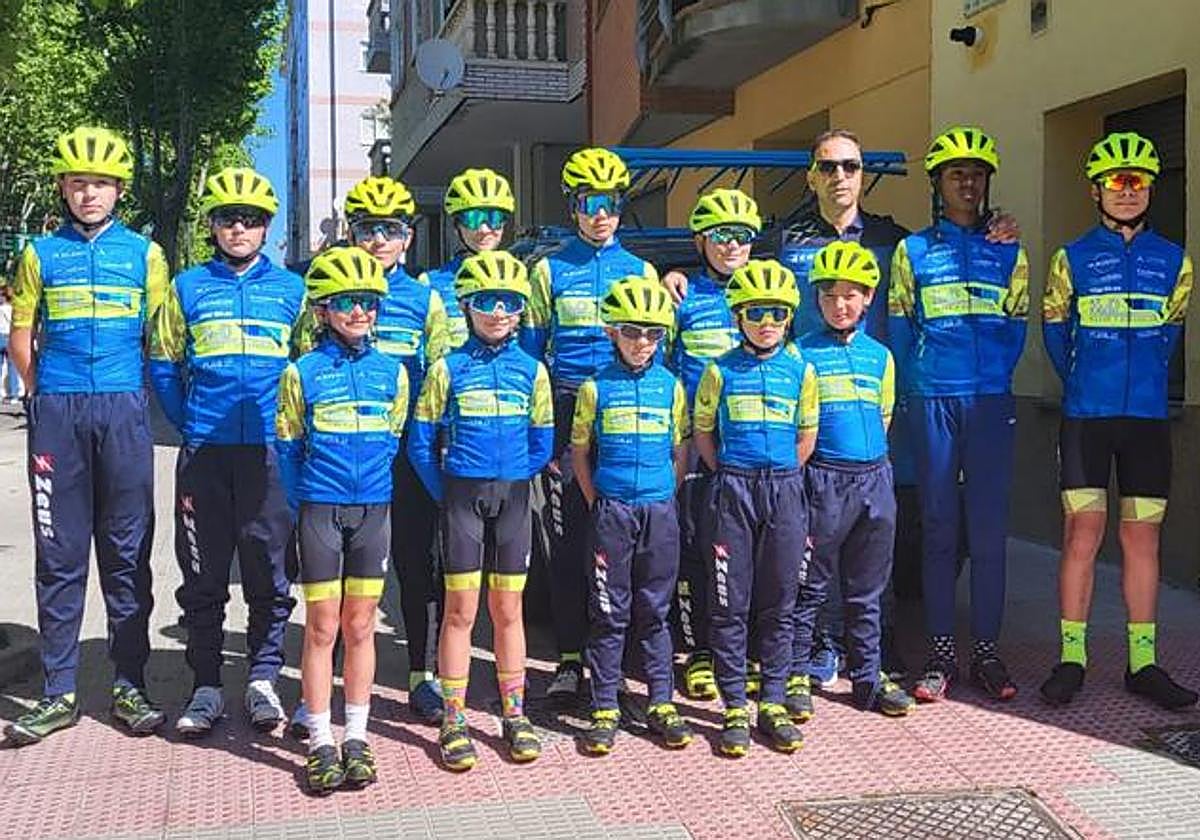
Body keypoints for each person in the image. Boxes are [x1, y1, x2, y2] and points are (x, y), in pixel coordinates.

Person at [3, 126, 168, 747]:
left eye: (100, 183)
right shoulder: (38, 253)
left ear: (119, 189)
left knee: (127, 555)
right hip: (59, 412)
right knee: (59, 554)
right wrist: (41, 392)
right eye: (78, 183)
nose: (89, 194)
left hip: (123, 407)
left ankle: (130, 685)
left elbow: (158, 337)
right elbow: (22, 335)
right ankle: (58, 693)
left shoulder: (146, 255)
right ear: (63, 188)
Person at [1039, 132, 1197, 711]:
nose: (1127, 191)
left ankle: (1143, 663)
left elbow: (1170, 335)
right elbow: (1055, 332)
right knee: (1082, 533)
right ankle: (1071, 659)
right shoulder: (1071, 258)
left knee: (1142, 536)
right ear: (1096, 190)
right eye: (1116, 181)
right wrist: (1083, 381)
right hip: (1087, 418)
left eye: (1138, 182)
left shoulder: (1175, 261)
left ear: (1151, 188)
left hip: (1148, 420)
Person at [148, 167, 303, 736]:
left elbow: (307, 367)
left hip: (269, 454)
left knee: (270, 572)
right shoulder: (186, 288)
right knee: (203, 574)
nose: (239, 228)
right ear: (212, 225)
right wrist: (190, 423)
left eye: (251, 219)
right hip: (205, 453)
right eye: (227, 218)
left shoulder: (293, 291)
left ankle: (263, 679)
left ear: (267, 227)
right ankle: (207, 684)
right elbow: (163, 363)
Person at [301, 176, 450, 724]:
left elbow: (438, 377)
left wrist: (431, 445)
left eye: (390, 230)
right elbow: (303, 364)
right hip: (340, 457)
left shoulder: (426, 299)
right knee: (339, 572)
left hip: (406, 451)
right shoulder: (324, 291)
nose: (379, 240)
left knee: (418, 562)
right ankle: (331, 680)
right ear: (351, 234)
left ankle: (422, 674)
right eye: (368, 229)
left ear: (407, 237)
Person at [888, 126, 1029, 703]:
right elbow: (900, 326)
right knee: (940, 526)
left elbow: (1017, 327)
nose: (967, 183)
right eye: (955, 174)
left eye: (976, 173)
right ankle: (941, 654)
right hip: (932, 400)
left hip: (990, 400)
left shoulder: (1009, 249)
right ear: (937, 184)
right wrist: (915, 388)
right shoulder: (913, 252)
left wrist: (991, 377)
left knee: (989, 531)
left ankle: (988, 653)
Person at [520, 147, 657, 704]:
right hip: (567, 404)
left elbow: (659, 354)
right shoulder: (548, 270)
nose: (601, 214)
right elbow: (533, 356)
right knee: (568, 538)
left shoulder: (642, 271)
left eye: (611, 202)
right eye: (589, 202)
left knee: (623, 538)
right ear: (572, 206)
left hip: (624, 409)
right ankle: (570, 657)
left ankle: (616, 657)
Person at [409, 250, 553, 771]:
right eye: (486, 301)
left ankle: (515, 714)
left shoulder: (533, 371)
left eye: (509, 303)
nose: (497, 312)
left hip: (512, 498)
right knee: (460, 611)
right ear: (466, 305)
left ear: (520, 310)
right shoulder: (446, 368)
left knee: (508, 611)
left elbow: (542, 443)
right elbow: (420, 443)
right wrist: (447, 492)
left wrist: (511, 479)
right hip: (461, 501)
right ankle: (454, 719)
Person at [275, 246, 408, 794]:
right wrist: (306, 502)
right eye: (348, 301)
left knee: (360, 625)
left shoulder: (393, 373)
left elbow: (394, 440)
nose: (360, 312)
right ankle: (319, 739)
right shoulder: (300, 373)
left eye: (369, 302)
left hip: (373, 510)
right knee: (322, 627)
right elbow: (287, 450)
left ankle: (356, 735)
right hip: (320, 511)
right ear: (323, 309)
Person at [692, 259, 818, 756]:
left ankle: (772, 703)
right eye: (755, 312)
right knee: (730, 604)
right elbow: (704, 433)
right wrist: (730, 473)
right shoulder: (718, 370)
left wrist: (779, 474)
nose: (767, 322)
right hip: (733, 488)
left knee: (780, 602)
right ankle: (733, 708)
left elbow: (806, 436)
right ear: (737, 316)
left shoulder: (801, 370)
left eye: (777, 313)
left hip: (784, 489)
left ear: (789, 318)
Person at [792, 241, 915, 720]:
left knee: (868, 591)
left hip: (874, 479)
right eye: (829, 295)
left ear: (868, 298)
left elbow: (883, 416)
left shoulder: (880, 356)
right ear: (816, 299)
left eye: (850, 295)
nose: (839, 305)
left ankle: (868, 677)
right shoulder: (800, 353)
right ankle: (796, 675)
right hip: (823, 479)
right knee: (810, 586)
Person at [573, 276, 692, 754]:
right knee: (608, 611)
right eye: (631, 332)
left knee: (655, 610)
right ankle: (605, 705)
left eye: (653, 334)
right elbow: (580, 452)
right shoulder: (594, 388)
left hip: (658, 510)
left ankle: (661, 701)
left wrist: (666, 493)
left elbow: (681, 449)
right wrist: (598, 501)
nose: (642, 342)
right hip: (612, 510)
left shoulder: (671, 387)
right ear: (611, 332)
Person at [667, 187, 760, 703]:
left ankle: (743, 650)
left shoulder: (768, 292)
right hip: (695, 446)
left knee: (748, 552)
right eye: (721, 235)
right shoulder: (684, 298)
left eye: (742, 235)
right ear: (700, 241)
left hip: (748, 446)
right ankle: (699, 650)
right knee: (696, 550)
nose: (732, 245)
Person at [418, 167, 515, 351]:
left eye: (493, 218)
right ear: (457, 226)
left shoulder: (522, 278)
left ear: (503, 223)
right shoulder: (429, 282)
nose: (484, 229)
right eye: (473, 219)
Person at [0, 286, 21, 403]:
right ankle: (14, 395)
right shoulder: (14, 309)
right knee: (13, 368)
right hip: (11, 337)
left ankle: (2, 393)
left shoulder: (1, 309)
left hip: (1, 336)